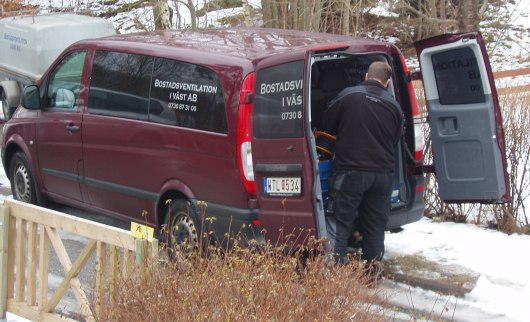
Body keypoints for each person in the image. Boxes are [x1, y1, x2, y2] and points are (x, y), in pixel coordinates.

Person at [323, 61, 404, 276]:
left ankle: (335, 277)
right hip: (383, 176)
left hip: (351, 172)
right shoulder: (394, 106)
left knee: (340, 223)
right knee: (375, 227)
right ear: (386, 83)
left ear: (366, 76)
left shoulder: (349, 95)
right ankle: (372, 274)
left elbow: (326, 122)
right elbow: (396, 138)